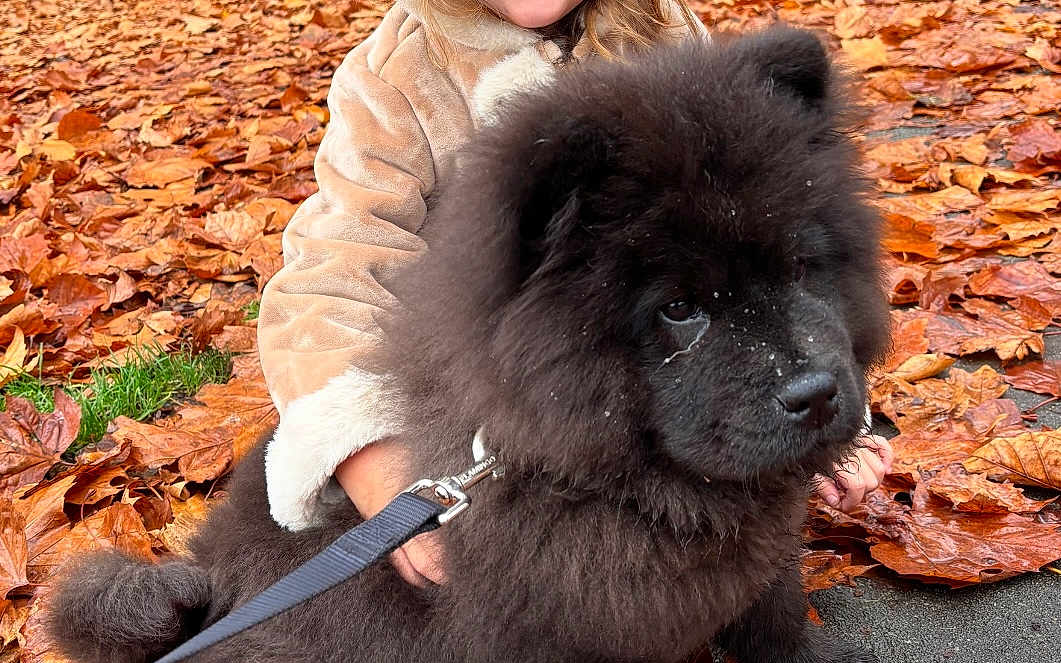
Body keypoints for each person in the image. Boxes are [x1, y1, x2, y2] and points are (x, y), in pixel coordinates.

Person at [257, 0, 893, 587]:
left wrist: (827, 422)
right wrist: (382, 475)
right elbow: (333, 278)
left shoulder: (662, 25)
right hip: (492, 399)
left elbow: (766, 257)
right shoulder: (394, 82)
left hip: (665, 386)